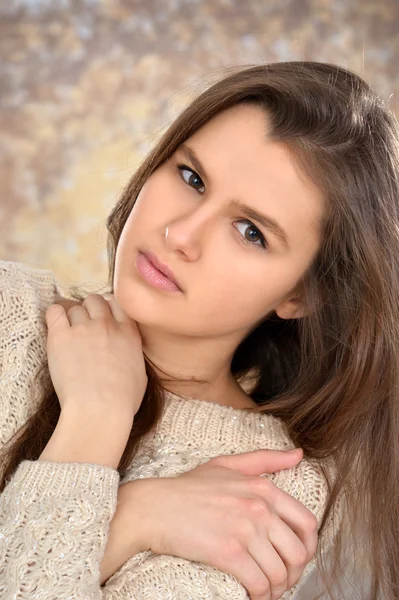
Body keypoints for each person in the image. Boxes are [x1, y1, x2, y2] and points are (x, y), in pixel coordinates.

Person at [0, 60, 397, 600]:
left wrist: (92, 426)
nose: (181, 233)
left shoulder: (264, 485)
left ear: (301, 295)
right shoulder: (11, 307)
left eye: (250, 231)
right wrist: (132, 514)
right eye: (192, 178)